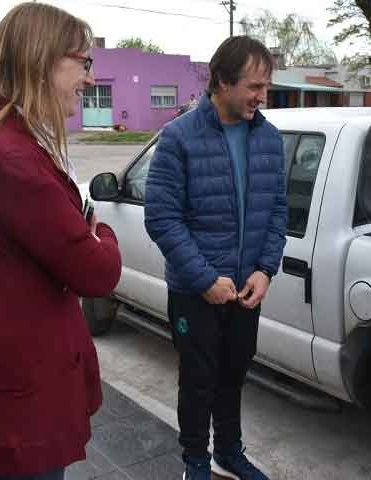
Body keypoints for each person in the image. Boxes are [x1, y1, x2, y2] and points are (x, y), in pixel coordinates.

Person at [0, 3, 122, 479]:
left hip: (15, 379)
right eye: (82, 61)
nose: (88, 76)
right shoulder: (10, 159)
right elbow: (97, 272)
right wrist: (101, 231)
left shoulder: (12, 138)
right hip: (16, 395)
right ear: (42, 61)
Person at [144, 36, 287, 480]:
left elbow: (278, 209)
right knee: (198, 379)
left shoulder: (268, 137)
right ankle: (195, 460)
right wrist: (205, 279)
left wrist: (265, 270)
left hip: (246, 289)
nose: (263, 97)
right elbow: (162, 218)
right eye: (255, 86)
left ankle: (228, 450)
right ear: (222, 81)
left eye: (266, 86)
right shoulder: (178, 137)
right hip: (195, 290)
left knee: (234, 372)